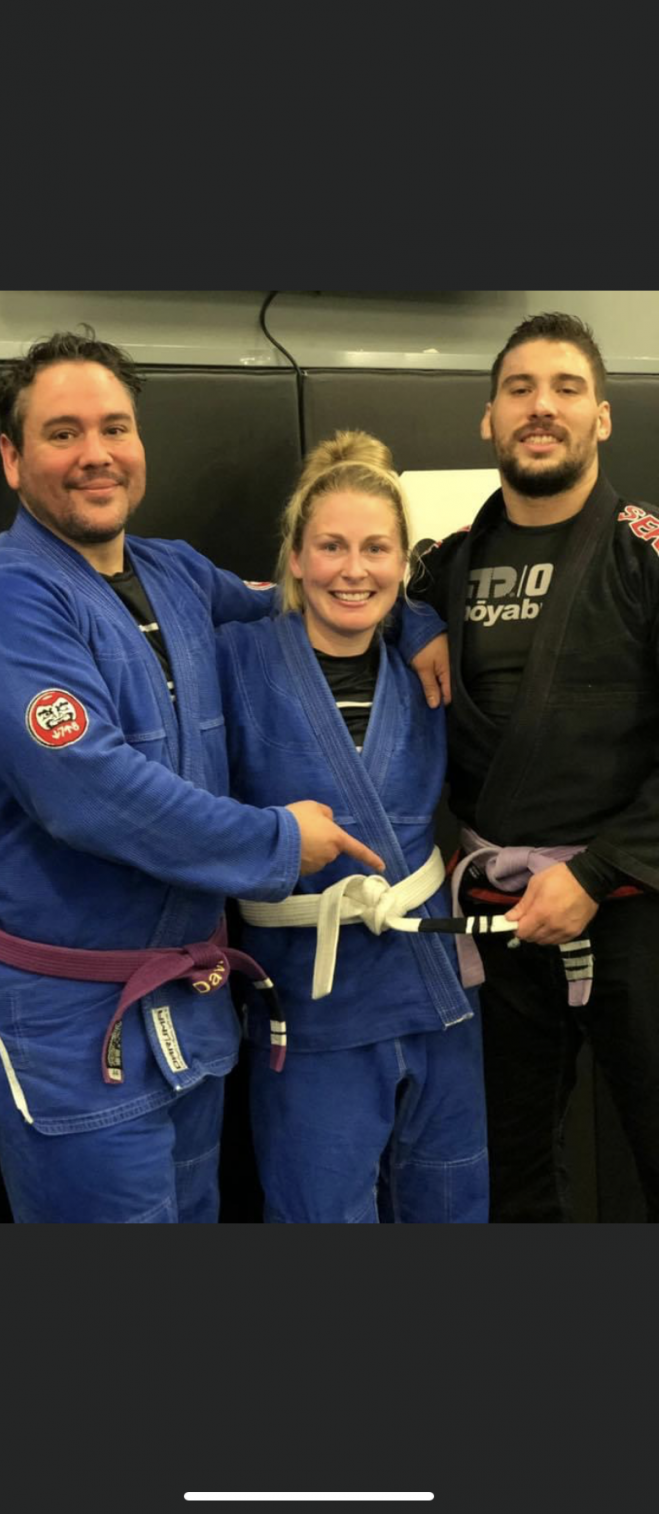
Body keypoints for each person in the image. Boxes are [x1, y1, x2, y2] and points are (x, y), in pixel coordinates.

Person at [0, 329, 437, 1225]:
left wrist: (418, 619)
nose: (96, 453)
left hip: (187, 1017)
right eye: (62, 433)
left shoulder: (174, 572)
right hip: (70, 1032)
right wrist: (278, 841)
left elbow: (310, 595)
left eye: (115, 427)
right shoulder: (1, 602)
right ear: (13, 459)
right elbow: (89, 792)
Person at [410, 311, 659, 1222]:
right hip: (501, 918)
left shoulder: (645, 551)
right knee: (509, 1173)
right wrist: (413, 620)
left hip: (634, 907)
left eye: (566, 388)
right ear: (489, 418)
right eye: (519, 390)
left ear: (603, 416)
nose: (541, 406)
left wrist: (593, 875)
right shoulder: (445, 570)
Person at [215, 431, 488, 1223]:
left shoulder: (427, 661)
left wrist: (419, 622)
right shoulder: (236, 659)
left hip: (430, 978)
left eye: (376, 549)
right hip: (311, 993)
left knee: (450, 1200)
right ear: (296, 558)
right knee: (320, 1213)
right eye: (331, 546)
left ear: (403, 564)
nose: (353, 569)